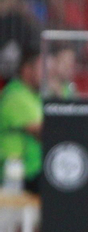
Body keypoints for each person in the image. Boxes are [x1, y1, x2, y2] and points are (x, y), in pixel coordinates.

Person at [0, 46, 44, 192]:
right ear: (27, 69)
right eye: (42, 68)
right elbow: (43, 131)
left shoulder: (34, 95)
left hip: (33, 169)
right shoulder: (15, 95)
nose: (47, 73)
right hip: (17, 173)